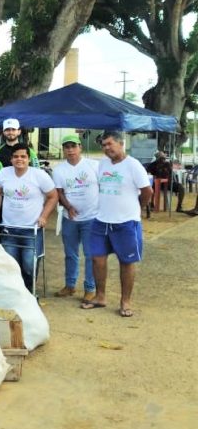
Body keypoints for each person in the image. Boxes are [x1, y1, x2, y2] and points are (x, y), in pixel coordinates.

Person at [82, 131, 152, 317]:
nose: (106, 148)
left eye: (109, 144)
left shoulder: (133, 165)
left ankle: (125, 301)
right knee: (97, 259)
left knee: (126, 262)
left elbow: (147, 191)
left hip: (125, 223)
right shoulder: (103, 164)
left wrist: (137, 208)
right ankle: (100, 296)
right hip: (101, 220)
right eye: (103, 145)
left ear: (121, 144)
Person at [0, 143, 58, 291]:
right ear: (11, 159)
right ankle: (14, 293)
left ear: (29, 158)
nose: (19, 159)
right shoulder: (3, 174)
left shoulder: (39, 175)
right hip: (8, 229)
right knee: (10, 265)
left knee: (29, 265)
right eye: (15, 156)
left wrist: (44, 216)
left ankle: (29, 292)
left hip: (31, 229)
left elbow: (53, 196)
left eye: (23, 156)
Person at [52, 134, 99, 301]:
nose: (70, 150)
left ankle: (90, 288)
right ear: (63, 150)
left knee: (90, 254)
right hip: (69, 218)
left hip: (92, 218)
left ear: (80, 147)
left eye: (73, 146)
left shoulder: (94, 165)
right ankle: (70, 285)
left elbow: (103, 186)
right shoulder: (58, 170)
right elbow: (59, 192)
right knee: (70, 254)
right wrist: (69, 207)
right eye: (67, 147)